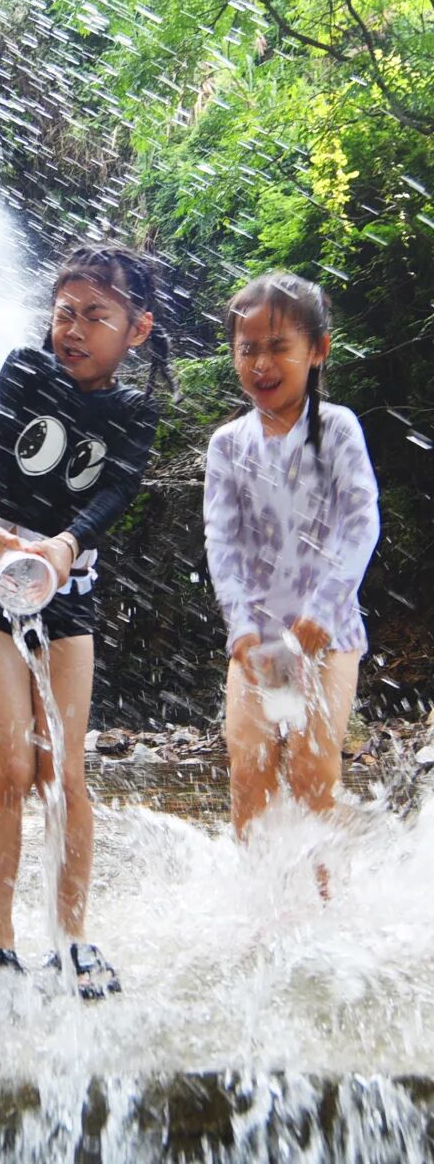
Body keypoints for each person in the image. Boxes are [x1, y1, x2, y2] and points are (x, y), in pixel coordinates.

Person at [0, 244, 171, 996]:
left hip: (70, 589)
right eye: (64, 313)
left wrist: (65, 545)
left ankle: (73, 938)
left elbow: (117, 490)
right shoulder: (25, 369)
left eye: (95, 316)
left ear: (137, 329)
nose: (73, 330)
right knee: (10, 766)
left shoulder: (136, 411)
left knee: (64, 771)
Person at [204, 273, 379, 847]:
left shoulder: (338, 429)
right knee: (249, 772)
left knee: (311, 771)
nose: (261, 363)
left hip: (327, 636)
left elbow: (361, 523)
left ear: (317, 350)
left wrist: (322, 611)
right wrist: (239, 625)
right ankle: (259, 896)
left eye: (278, 346)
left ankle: (331, 891)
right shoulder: (228, 445)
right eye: (247, 348)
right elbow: (222, 541)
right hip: (257, 638)